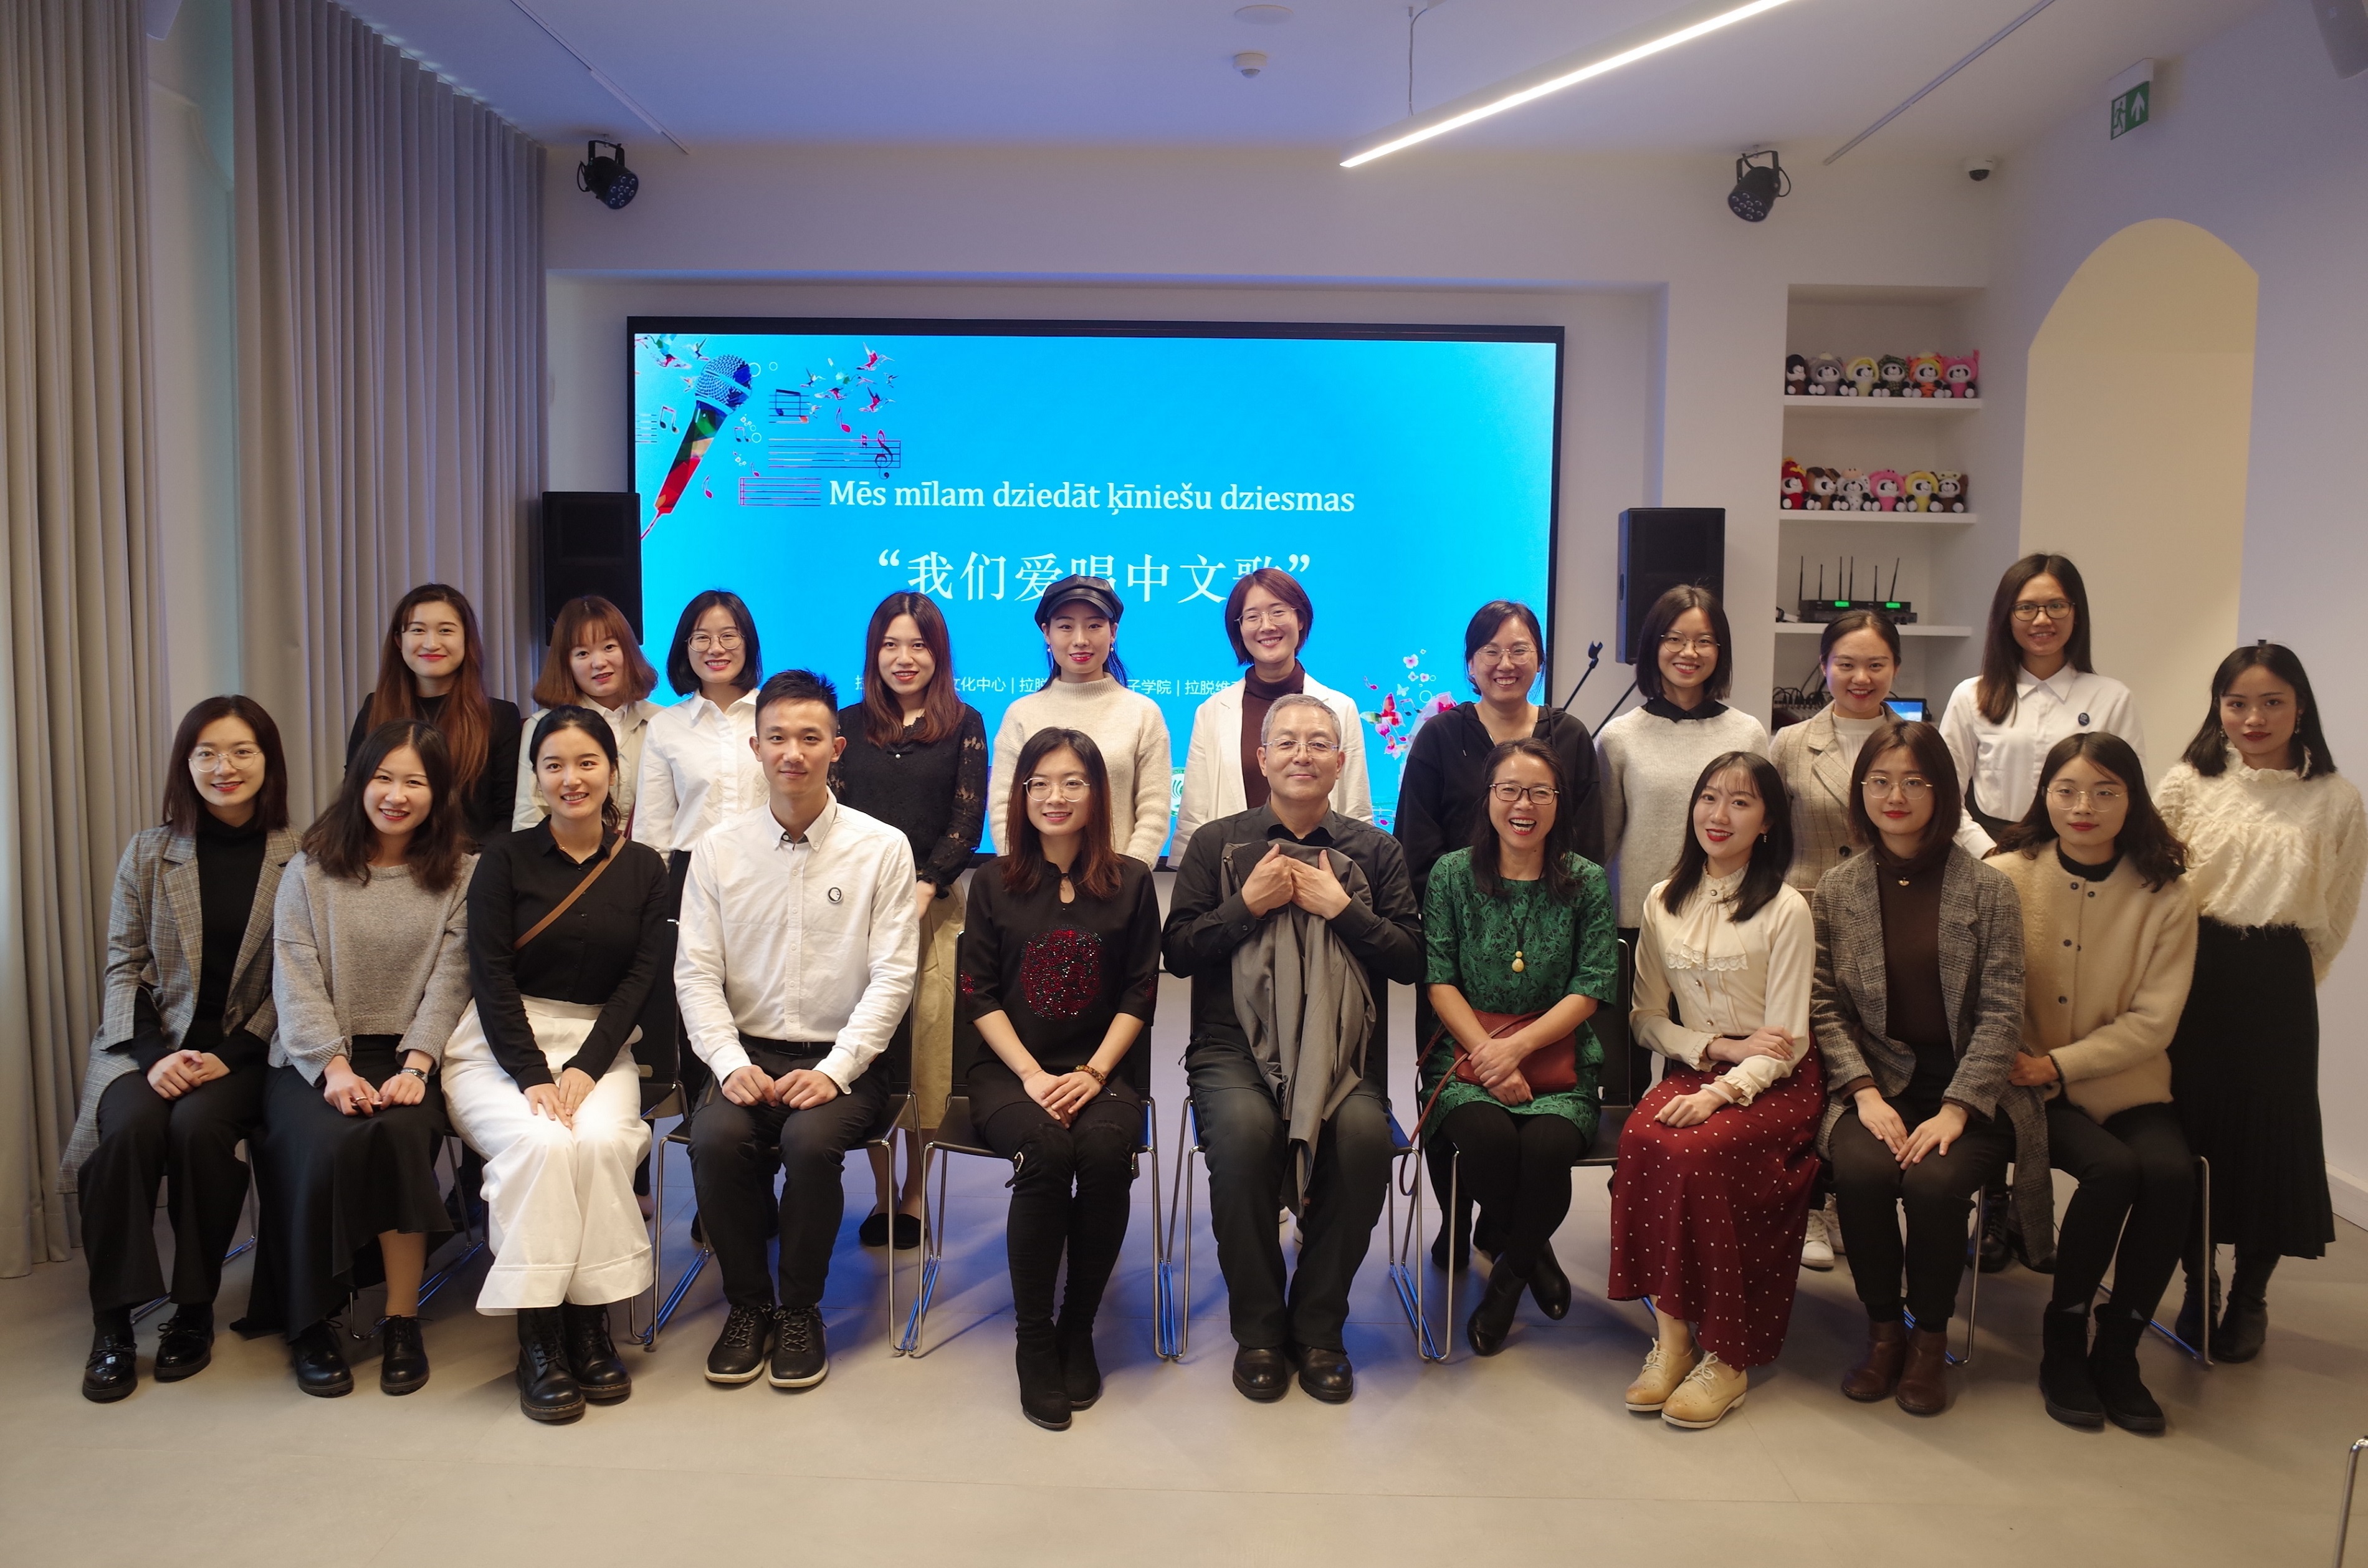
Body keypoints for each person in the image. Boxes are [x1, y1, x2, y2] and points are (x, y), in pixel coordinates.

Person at [1163, 692, 1423, 1405]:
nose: (1301, 754)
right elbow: (1178, 951)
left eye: (1317, 743)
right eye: (1286, 742)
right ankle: (1257, 1328)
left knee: (1364, 1136)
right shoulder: (1216, 844)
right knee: (1245, 1134)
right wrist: (1244, 904)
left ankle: (1317, 1326)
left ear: (1340, 762)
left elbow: (1409, 959)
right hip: (1231, 1049)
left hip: (1343, 1055)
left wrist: (1343, 909)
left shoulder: (1376, 851)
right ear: (1261, 758)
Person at [676, 670, 918, 1390]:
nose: (792, 752)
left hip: (843, 1056)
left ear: (836, 747)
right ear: (755, 747)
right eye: (777, 737)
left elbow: (893, 977)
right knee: (717, 1139)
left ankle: (800, 1310)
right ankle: (749, 1305)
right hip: (746, 1050)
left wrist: (836, 1068)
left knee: (811, 1143)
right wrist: (727, 1062)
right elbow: (695, 973)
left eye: (809, 737)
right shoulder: (718, 849)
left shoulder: (882, 847)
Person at [64, 697, 300, 1402]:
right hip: (147, 1045)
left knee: (199, 1130)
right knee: (128, 1130)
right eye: (206, 753)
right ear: (185, 764)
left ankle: (193, 1309)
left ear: (268, 761)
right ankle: (112, 1323)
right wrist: (150, 1055)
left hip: (244, 1052)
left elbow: (298, 976)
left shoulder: (300, 856)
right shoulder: (149, 851)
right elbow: (124, 966)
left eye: (241, 751)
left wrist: (233, 1051)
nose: (224, 767)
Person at [1810, 719, 2044, 1417]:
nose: (1895, 796)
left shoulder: (1988, 889)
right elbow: (1822, 1006)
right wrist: (1861, 1091)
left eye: (1914, 781)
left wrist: (1958, 1107)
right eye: (1879, 781)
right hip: (1877, 1079)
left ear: (1943, 790)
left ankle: (1928, 1338)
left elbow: (2002, 1012)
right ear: (1860, 791)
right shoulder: (1837, 887)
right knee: (1861, 1172)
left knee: (1935, 1185)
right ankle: (1883, 1331)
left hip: (1968, 1085)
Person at [442, 707, 670, 1422]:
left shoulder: (644, 866)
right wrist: (533, 1073)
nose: (571, 778)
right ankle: (538, 1337)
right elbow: (489, 975)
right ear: (536, 778)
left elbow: (640, 979)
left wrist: (588, 1064)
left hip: (601, 1042)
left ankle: (590, 1323)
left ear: (612, 772)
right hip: (499, 1044)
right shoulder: (502, 860)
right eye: (554, 765)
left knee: (599, 1141)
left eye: (586, 762)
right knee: (542, 1142)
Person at [249, 720, 475, 1398]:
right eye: (383, 778)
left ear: (438, 793)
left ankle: (402, 1318)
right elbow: (295, 977)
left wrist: (417, 1065)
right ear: (359, 782)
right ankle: (310, 1321)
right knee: (322, 1142)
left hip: (411, 1053)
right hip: (314, 1054)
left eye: (415, 782)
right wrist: (333, 1067)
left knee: (402, 1135)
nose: (396, 795)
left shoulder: (463, 874)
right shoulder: (309, 871)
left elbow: (452, 979)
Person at [2156, 643, 2363, 1362]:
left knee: (2271, 1138)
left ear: (2298, 707)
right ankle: (2197, 1282)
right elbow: (2150, 883)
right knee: (2189, 1130)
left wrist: (2292, 979)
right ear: (2217, 707)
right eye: (2236, 702)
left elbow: (2337, 908)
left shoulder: (2335, 798)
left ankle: (2250, 1293)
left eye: (2271, 702)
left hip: (2277, 983)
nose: (2253, 717)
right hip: (2191, 971)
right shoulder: (2186, 783)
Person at [1988, 733, 2197, 1432]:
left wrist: (2061, 1063)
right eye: (2068, 790)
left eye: (2105, 792)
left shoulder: (2164, 892)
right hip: (2025, 1084)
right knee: (2113, 1171)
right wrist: (2029, 1065)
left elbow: (2154, 1020)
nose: (2084, 806)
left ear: (2132, 799)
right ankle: (2064, 1334)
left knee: (2170, 1174)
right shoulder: (2006, 875)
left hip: (2124, 1081)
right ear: (2044, 795)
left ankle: (2119, 1346)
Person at [957, 729, 1162, 1430]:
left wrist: (1095, 1071)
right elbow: (978, 992)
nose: (1055, 796)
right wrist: (1033, 1076)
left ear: (1098, 794)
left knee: (1104, 1152)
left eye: (1073, 782)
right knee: (1045, 1152)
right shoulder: (993, 881)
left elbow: (1140, 990)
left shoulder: (1132, 882)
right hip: (1009, 1070)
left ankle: (1079, 1327)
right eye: (1039, 783)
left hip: (1101, 1067)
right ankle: (1035, 1339)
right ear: (1021, 795)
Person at [1610, 752, 1820, 1430]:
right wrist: (1713, 1049)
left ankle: (1729, 1356)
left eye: (1740, 801)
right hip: (1699, 1064)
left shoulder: (1786, 908)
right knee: (1642, 1138)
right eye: (1708, 797)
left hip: (1777, 1081)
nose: (1719, 814)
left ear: (1767, 821)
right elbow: (1644, 1017)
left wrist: (1723, 1089)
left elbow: (1787, 1041)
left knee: (1698, 1152)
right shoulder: (1662, 899)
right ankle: (1673, 1341)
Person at [1769, 610, 1983, 1269]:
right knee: (1806, 1062)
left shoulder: (1918, 740)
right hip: (1806, 917)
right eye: (1845, 663)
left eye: (1875, 664)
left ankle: (1845, 1198)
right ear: (1823, 666)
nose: (1860, 677)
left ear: (1895, 668)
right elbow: (1770, 836)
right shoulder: (1788, 742)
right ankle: (1809, 1201)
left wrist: (2000, 863)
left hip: (1893, 914)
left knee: (1870, 1051)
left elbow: (1954, 816)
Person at [1393, 598, 1602, 1268]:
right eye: (1491, 651)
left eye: (1519, 650)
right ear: (1470, 664)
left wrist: (1541, 908)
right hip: (1460, 941)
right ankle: (1462, 1223)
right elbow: (1414, 840)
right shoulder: (1440, 735)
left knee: (1534, 1124)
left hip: (1548, 939)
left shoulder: (1570, 736)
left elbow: (1587, 840)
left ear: (1539, 660)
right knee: (1461, 1104)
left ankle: (1505, 1233)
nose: (1505, 663)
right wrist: (1462, 908)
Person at [1420, 739, 1617, 1359]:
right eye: (1508, 789)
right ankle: (1534, 1250)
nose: (1522, 804)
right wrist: (1489, 1055)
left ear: (1559, 801)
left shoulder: (1585, 879)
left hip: (1557, 1059)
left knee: (1548, 1149)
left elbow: (1592, 984)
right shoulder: (1452, 873)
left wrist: (1519, 1049)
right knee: (1488, 1141)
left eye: (1539, 792)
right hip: (1465, 1053)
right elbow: (1439, 979)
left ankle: (1507, 1279)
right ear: (1488, 797)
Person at [834, 591, 986, 1252]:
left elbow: (966, 819)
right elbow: (835, 815)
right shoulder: (846, 723)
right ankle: (880, 1191)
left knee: (925, 1053)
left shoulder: (965, 723)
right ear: (874, 652)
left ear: (937, 653)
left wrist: (924, 885)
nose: (904, 658)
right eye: (891, 645)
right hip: (853, 914)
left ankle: (915, 1192)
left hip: (933, 911)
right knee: (871, 1048)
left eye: (918, 645)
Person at [1940, 553, 2144, 843]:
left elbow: (2133, 796)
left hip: (2082, 847)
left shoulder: (2112, 698)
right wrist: (1986, 853)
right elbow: (1944, 794)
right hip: (1991, 845)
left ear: (2076, 614)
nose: (2042, 620)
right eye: (2026, 608)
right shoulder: (1970, 695)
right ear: (2007, 617)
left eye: (2056, 606)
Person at [1175, 566, 1373, 863]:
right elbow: (1193, 815)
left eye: (1278, 612)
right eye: (1252, 617)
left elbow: (1356, 810)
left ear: (1300, 619)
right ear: (1239, 628)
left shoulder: (1340, 707)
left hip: (1322, 875)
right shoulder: (1212, 712)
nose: (1266, 626)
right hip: (1234, 877)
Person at [987, 575, 1171, 865]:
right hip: (1033, 885)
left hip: (1116, 882)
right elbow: (1003, 808)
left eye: (1094, 626)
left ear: (1113, 632)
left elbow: (1154, 810)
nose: (1080, 640)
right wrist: (1023, 876)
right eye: (1066, 626)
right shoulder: (1021, 714)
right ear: (1047, 633)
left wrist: (1129, 879)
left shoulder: (1142, 712)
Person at [345, 583, 520, 844]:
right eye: (418, 630)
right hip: (386, 856)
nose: (431, 644)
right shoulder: (375, 709)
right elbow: (354, 794)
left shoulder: (501, 716)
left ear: (467, 640)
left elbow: (508, 816)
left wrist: (479, 863)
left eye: (445, 630)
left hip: (471, 859)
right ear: (399, 641)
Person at [510, 595, 666, 833]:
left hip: (647, 854)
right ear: (566, 664)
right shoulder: (542, 726)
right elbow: (528, 820)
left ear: (629, 651)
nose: (599, 662)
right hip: (564, 854)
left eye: (609, 647)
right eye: (582, 653)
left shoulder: (662, 723)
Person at [634, 589, 766, 859]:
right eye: (701, 638)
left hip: (769, 865)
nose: (715, 648)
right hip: (692, 869)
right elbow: (652, 829)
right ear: (685, 648)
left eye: (728, 636)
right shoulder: (665, 726)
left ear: (748, 643)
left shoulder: (777, 717)